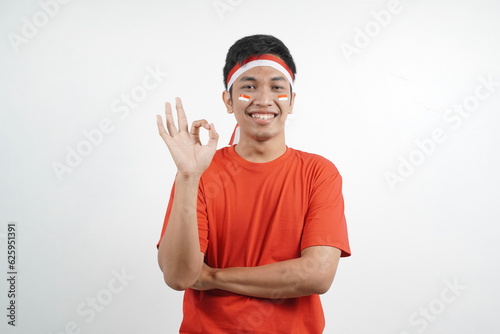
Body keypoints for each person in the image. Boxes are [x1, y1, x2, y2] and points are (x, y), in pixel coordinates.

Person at [156, 34, 351, 333]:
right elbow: (179, 277)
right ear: (228, 100)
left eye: (277, 87)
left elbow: (317, 275)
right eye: (248, 86)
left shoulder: (319, 173)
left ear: (292, 101)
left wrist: (211, 278)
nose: (263, 99)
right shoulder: (199, 172)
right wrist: (187, 177)